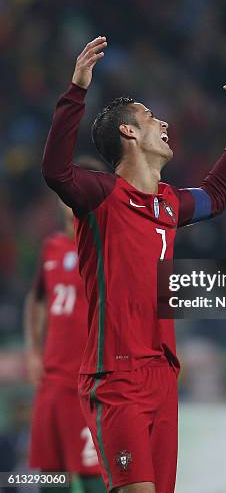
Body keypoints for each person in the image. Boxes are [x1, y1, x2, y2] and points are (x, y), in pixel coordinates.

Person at [41, 36, 226, 493]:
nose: (163, 121)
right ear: (128, 133)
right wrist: (76, 92)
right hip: (117, 376)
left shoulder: (167, 204)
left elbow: (217, 195)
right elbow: (56, 172)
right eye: (150, 117)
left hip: (163, 375)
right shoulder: (101, 197)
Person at [25, 189, 105, 493]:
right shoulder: (52, 248)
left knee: (93, 475)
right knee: (50, 475)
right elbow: (37, 300)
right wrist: (34, 351)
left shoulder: (105, 246)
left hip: (87, 383)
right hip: (52, 381)